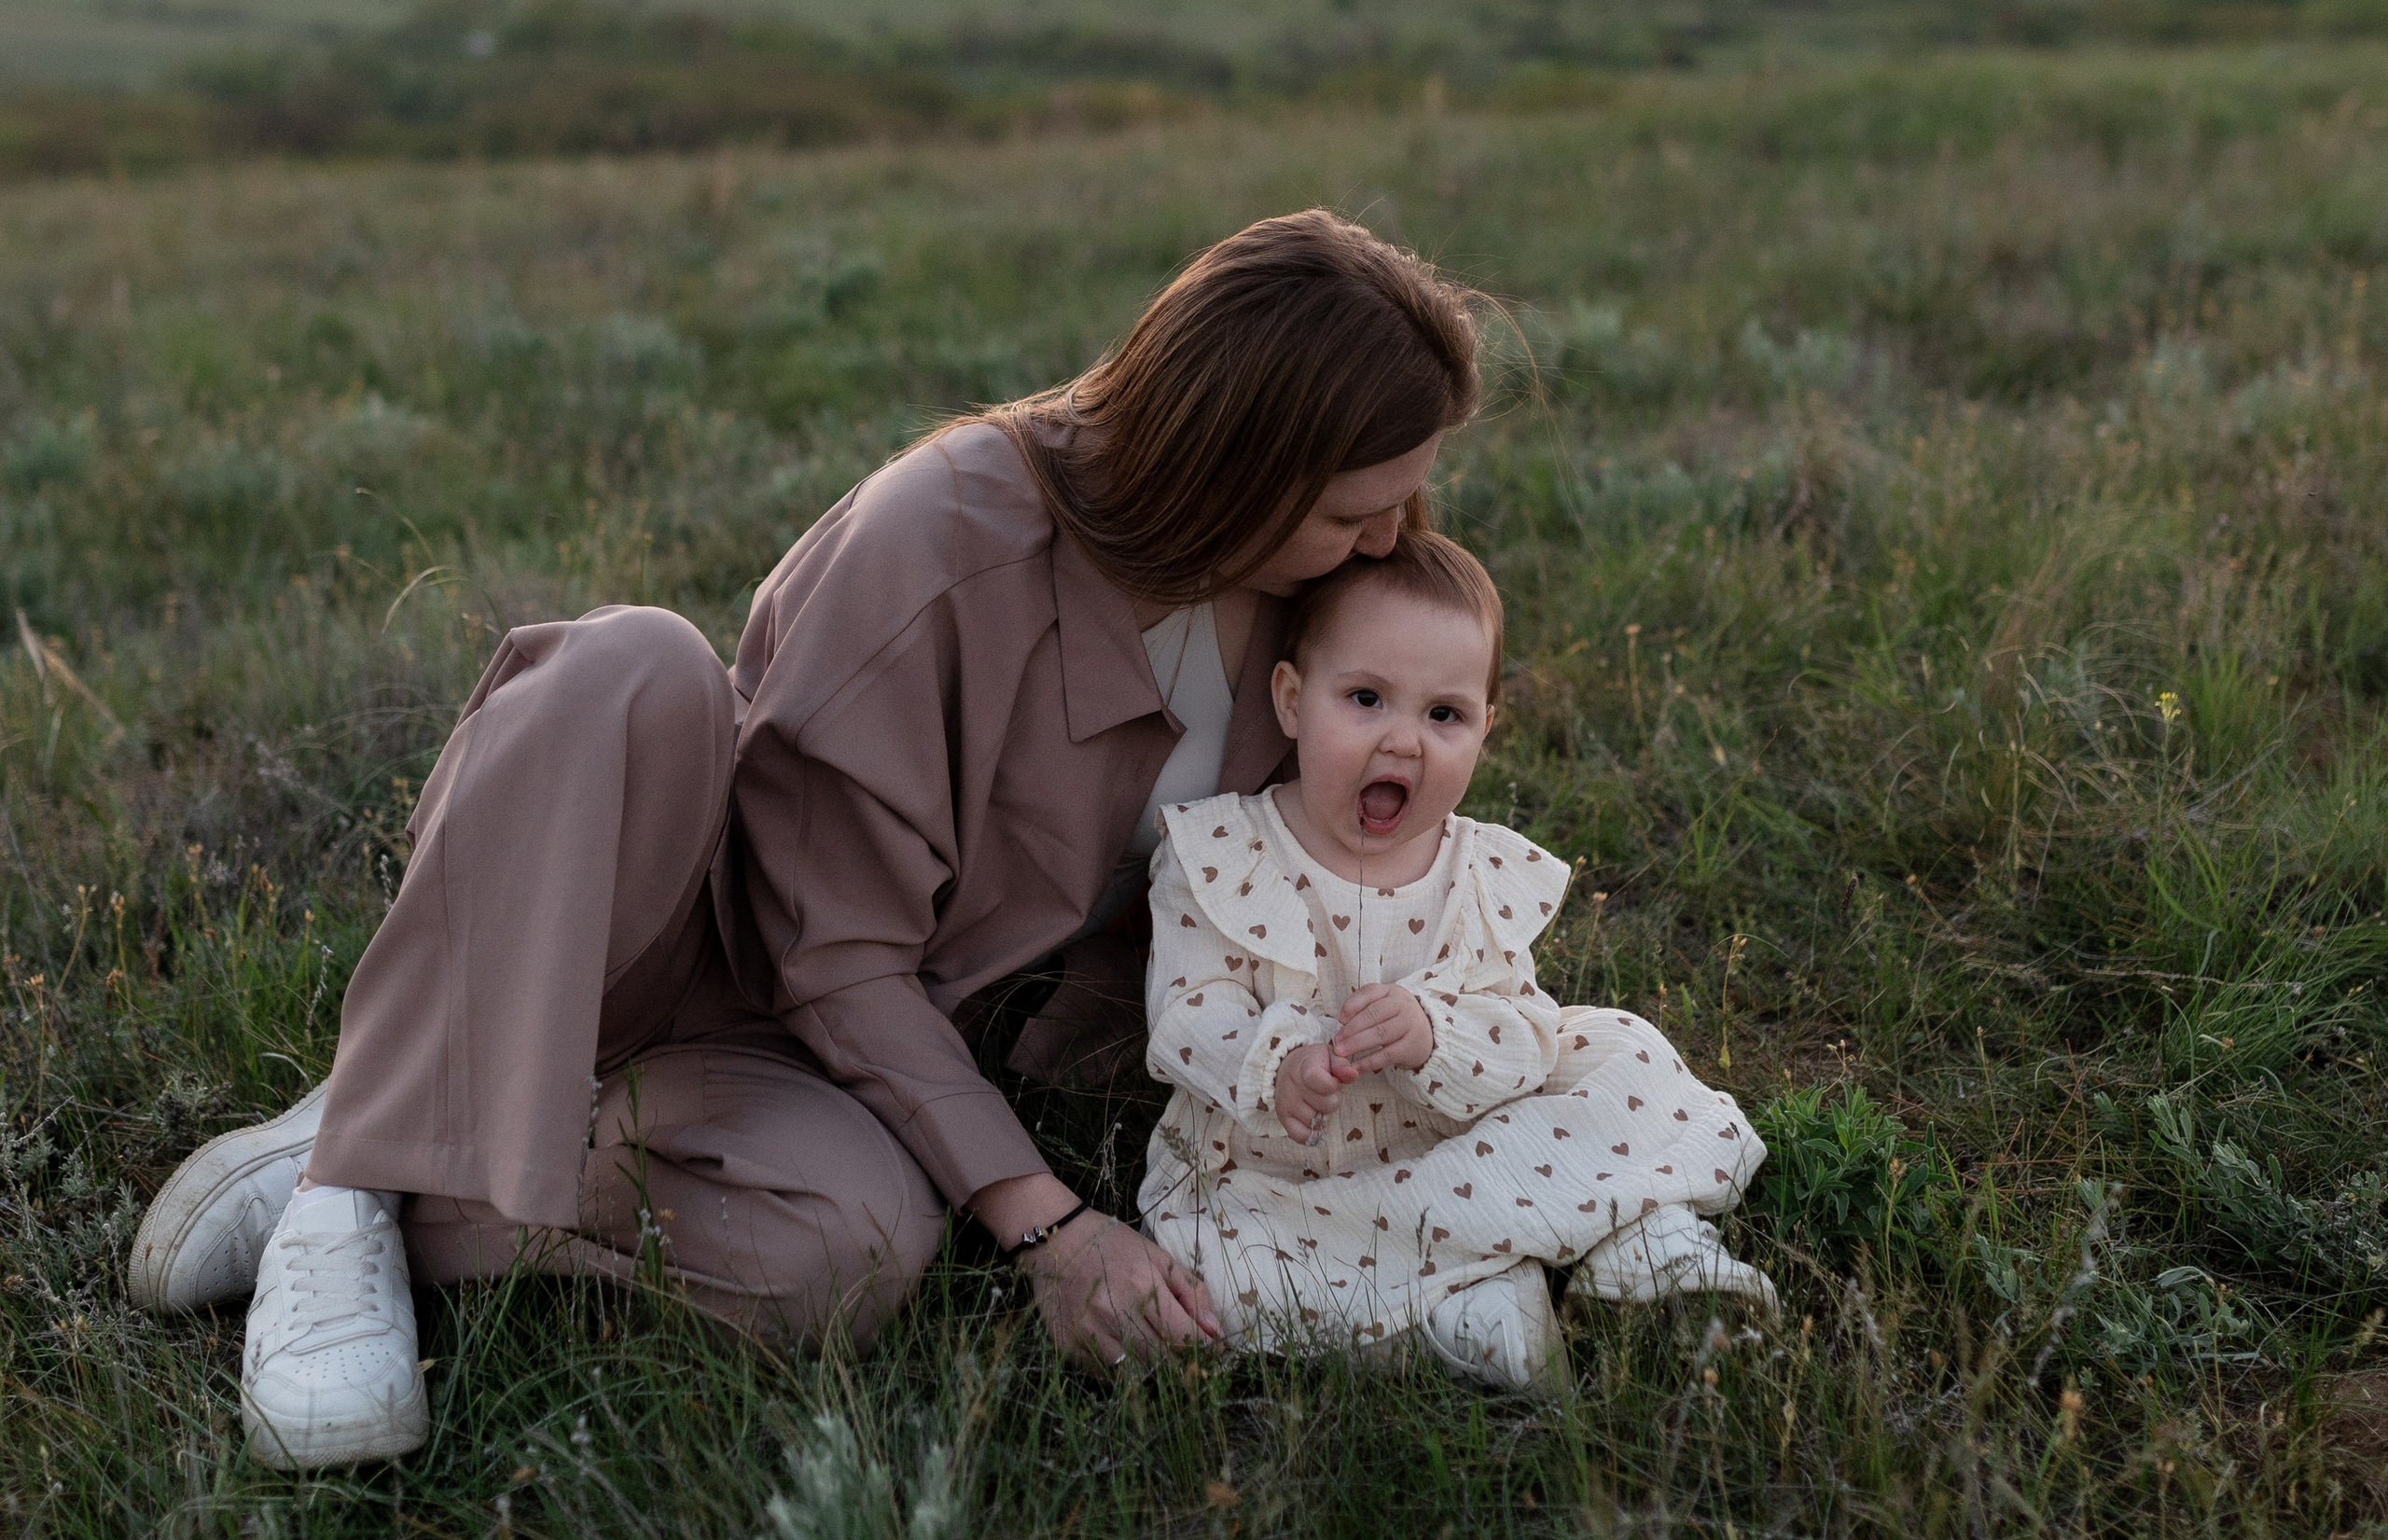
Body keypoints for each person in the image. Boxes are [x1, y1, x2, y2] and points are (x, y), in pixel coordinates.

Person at [129, 211, 1481, 1467]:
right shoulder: (945, 528)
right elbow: (826, 946)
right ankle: (343, 1188)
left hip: (825, 1063)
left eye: (1406, 501)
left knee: (858, 1250)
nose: (1388, 538)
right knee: (634, 666)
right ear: (1228, 460)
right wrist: (1051, 1225)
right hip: (675, 942)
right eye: (1352, 507)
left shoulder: (1315, 594)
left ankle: (387, 1137)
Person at [1137, 526, 1772, 1395]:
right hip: (1287, 1169)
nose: (1404, 741)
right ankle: (1464, 1311)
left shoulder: (1478, 875)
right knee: (1215, 1252)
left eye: (1444, 714)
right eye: (1365, 698)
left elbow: (1521, 1038)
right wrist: (1274, 1059)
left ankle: (1646, 1245)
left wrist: (1437, 1032)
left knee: (1620, 1058)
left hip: (1470, 1141)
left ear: (1485, 727)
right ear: (1292, 698)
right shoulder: (1224, 854)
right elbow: (1183, 1008)